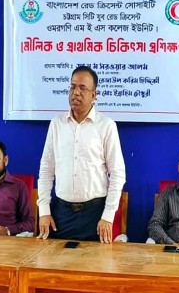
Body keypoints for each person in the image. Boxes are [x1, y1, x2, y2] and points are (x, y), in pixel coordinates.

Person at [37, 65, 126, 243]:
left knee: (95, 261)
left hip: (95, 215)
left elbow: (117, 173)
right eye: (72, 86)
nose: (75, 92)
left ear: (94, 95)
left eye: (82, 88)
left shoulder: (106, 126)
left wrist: (108, 216)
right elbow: (46, 170)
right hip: (61, 214)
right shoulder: (57, 124)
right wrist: (44, 212)